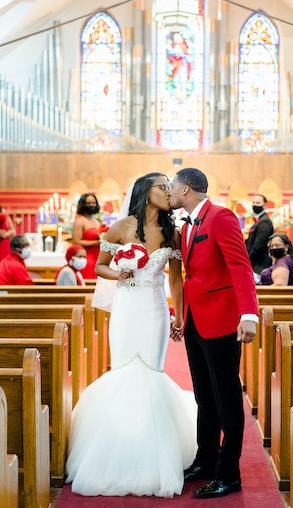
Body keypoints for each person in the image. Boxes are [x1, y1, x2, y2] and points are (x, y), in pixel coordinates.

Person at [66, 172, 197, 497]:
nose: (168, 191)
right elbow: (100, 266)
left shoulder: (172, 230)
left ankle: (154, 449)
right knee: (124, 368)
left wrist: (179, 316)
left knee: (151, 370)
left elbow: (176, 278)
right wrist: (118, 272)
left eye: (169, 187)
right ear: (144, 191)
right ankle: (119, 445)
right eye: (161, 186)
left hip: (154, 308)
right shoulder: (121, 227)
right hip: (126, 307)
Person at [169, 168, 258, 500]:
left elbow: (240, 266)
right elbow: (189, 274)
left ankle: (229, 473)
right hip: (195, 319)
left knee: (226, 400)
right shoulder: (187, 224)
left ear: (188, 189)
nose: (169, 191)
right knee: (203, 397)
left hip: (222, 321)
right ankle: (205, 459)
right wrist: (182, 315)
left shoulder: (221, 217)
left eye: (173, 186)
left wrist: (249, 314)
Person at [72, 193, 102, 279]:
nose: (91, 205)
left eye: (93, 203)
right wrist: (96, 243)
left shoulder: (96, 222)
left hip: (98, 257)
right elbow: (76, 241)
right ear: (83, 205)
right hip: (86, 258)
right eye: (88, 203)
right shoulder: (79, 221)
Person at [245, 193, 274, 278]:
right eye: (253, 203)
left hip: (260, 263)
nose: (255, 205)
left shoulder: (264, 222)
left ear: (264, 205)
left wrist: (248, 258)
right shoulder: (260, 220)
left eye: (258, 203)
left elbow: (259, 245)